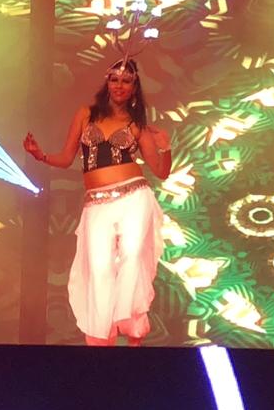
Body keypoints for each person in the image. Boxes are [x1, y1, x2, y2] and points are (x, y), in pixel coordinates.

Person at [23, 58, 173, 346]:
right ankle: (103, 338)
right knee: (99, 268)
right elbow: (66, 157)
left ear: (134, 87)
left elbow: (161, 171)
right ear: (107, 83)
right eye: (115, 80)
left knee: (132, 257)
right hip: (96, 202)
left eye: (126, 81)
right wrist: (40, 155)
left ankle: (133, 331)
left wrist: (165, 146)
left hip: (134, 197)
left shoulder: (137, 124)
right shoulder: (86, 114)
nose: (119, 86)